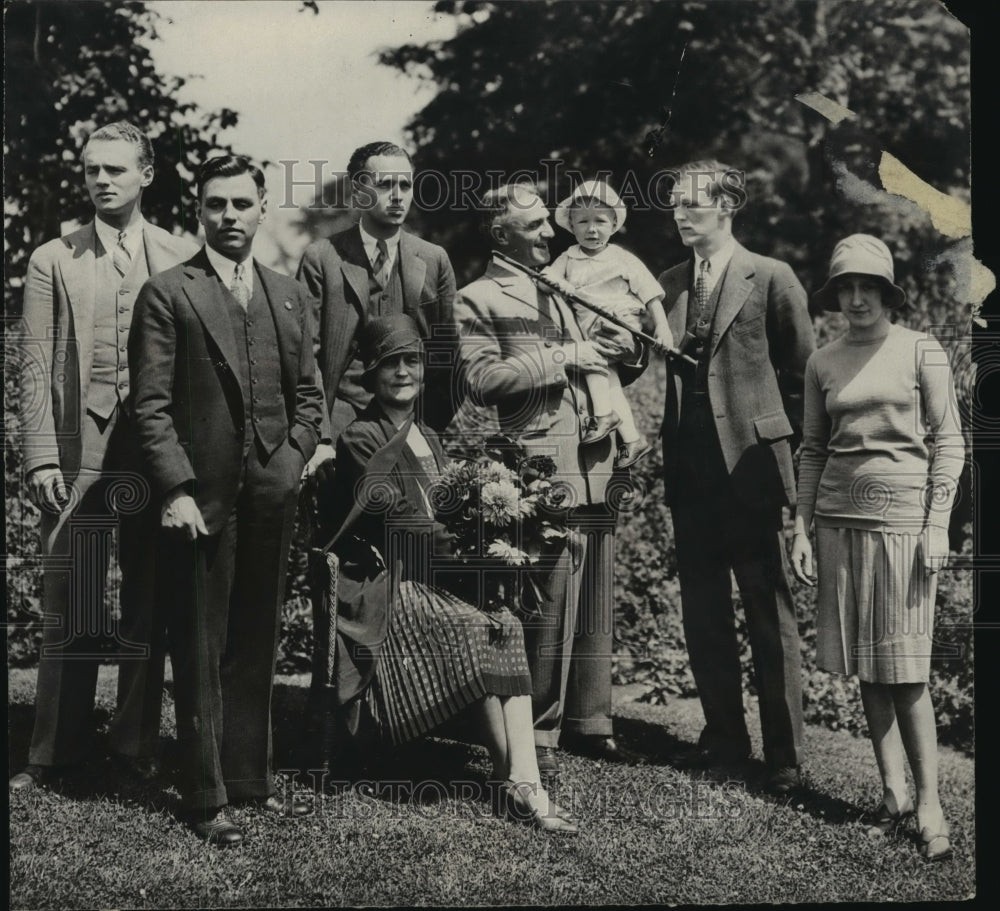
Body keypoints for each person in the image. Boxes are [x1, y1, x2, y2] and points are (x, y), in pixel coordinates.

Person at [129, 154, 324, 846]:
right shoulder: (168, 292)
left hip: (272, 494)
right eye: (217, 204)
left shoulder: (287, 292)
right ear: (199, 210)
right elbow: (149, 409)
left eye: (242, 203)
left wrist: (294, 457)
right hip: (199, 498)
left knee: (256, 636)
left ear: (262, 206)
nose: (230, 216)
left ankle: (250, 778)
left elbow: (309, 394)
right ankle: (206, 794)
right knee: (201, 641)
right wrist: (176, 487)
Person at [327, 313, 577, 835]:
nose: (402, 373)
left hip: (434, 572)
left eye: (412, 362)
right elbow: (400, 524)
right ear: (371, 375)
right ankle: (518, 780)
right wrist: (475, 559)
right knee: (476, 626)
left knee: (503, 617)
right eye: (390, 364)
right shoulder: (359, 438)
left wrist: (508, 533)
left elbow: (447, 512)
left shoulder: (430, 437)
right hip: (387, 581)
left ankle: (521, 779)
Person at [11, 121, 197, 792]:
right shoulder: (52, 257)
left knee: (150, 594)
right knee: (75, 590)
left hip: (154, 444)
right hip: (77, 443)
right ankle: (54, 752)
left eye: (116, 169)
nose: (101, 179)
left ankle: (134, 745)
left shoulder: (184, 253)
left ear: (147, 174)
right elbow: (34, 364)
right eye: (92, 168)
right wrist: (39, 456)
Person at [455, 182, 648, 779]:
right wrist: (564, 359)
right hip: (537, 463)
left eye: (547, 223)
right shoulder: (477, 297)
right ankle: (536, 731)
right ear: (500, 233)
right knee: (549, 592)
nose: (550, 233)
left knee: (594, 592)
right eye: (536, 225)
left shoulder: (561, 284)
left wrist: (625, 350)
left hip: (593, 456)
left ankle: (591, 722)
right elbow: (483, 380)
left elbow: (609, 357)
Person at [791, 234, 964, 861]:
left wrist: (937, 522)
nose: (857, 298)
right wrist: (801, 528)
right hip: (838, 522)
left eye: (868, 287)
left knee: (907, 669)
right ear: (835, 294)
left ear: (887, 293)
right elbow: (813, 449)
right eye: (847, 287)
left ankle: (930, 804)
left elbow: (950, 441)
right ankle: (891, 798)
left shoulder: (922, 349)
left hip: (904, 527)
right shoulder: (823, 361)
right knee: (867, 664)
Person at [658, 159, 815, 793]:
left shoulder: (772, 277)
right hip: (689, 471)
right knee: (702, 609)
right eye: (672, 202)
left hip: (751, 470)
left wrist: (802, 479)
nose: (678, 211)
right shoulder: (667, 282)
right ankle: (724, 738)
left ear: (727, 206)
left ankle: (785, 758)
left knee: (768, 612)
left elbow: (804, 382)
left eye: (690, 201)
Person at [297, 140, 459, 473]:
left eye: (405, 184)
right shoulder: (323, 258)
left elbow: (447, 355)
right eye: (385, 185)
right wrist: (322, 438)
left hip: (414, 422)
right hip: (342, 420)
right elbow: (305, 356)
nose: (398, 195)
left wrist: (431, 429)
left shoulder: (433, 259)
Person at [547, 179, 674, 468]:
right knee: (606, 374)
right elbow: (548, 281)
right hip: (586, 324)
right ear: (571, 225)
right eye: (583, 222)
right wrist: (556, 284)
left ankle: (604, 414)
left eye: (600, 221)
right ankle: (631, 438)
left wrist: (662, 328)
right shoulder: (567, 257)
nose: (592, 229)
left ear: (614, 223)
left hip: (617, 320)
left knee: (594, 362)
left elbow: (651, 294)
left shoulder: (620, 258)